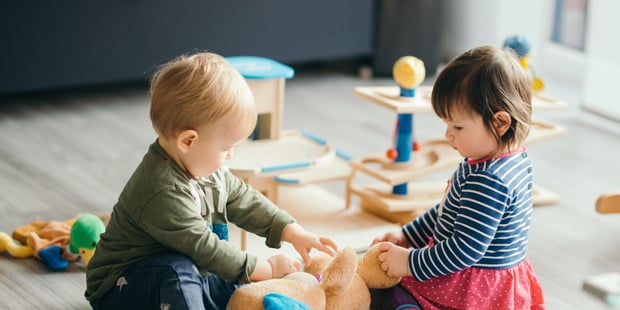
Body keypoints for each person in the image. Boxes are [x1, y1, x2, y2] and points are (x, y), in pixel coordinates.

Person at [85, 51, 338, 309]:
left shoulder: (208, 169)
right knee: (180, 272)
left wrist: (292, 232)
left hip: (191, 267)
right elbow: (205, 249)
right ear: (188, 141)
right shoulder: (162, 190)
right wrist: (267, 268)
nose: (230, 155)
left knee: (234, 284)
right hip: (119, 288)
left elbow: (244, 199)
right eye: (226, 147)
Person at [370, 45, 546, 309]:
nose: (448, 135)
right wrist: (407, 235)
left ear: (500, 123)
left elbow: (464, 249)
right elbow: (447, 212)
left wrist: (409, 262)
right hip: (486, 277)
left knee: (385, 296)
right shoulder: (506, 159)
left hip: (474, 288)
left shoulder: (489, 179)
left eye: (458, 126)